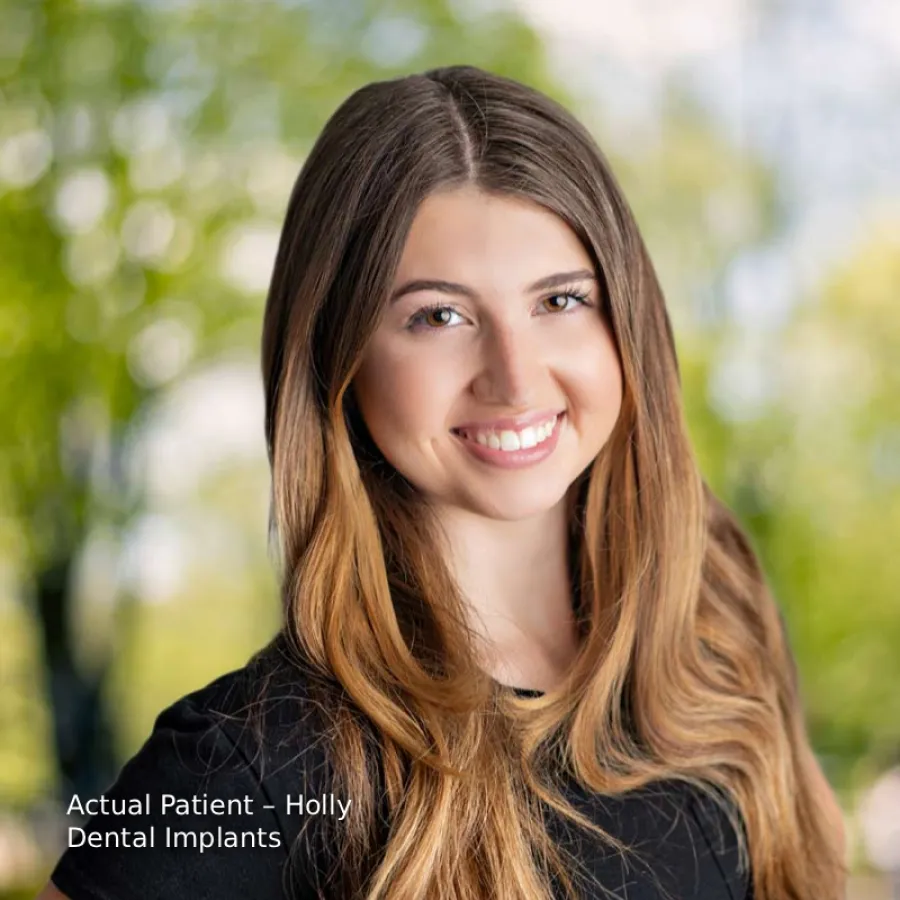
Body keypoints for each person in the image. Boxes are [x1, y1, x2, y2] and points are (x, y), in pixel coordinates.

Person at [38, 64, 846, 900]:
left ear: (627, 320)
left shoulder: (715, 613)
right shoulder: (251, 756)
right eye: (439, 316)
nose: (516, 379)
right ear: (338, 356)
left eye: (561, 301)